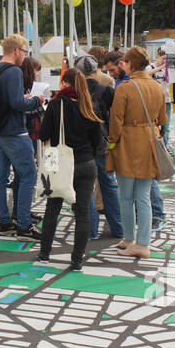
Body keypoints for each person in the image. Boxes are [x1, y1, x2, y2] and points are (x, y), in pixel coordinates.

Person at [36, 67, 105, 271]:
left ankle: (44, 254)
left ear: (65, 84)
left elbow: (43, 134)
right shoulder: (89, 105)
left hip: (57, 160)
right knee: (83, 212)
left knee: (52, 208)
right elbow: (97, 140)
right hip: (85, 162)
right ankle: (76, 260)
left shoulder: (57, 104)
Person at [107, 47, 167, 259]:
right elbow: (162, 120)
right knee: (143, 196)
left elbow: (115, 121)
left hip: (127, 143)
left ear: (130, 64)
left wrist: (111, 145)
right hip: (149, 142)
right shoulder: (157, 87)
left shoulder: (125, 88)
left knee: (125, 196)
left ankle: (131, 238)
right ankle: (141, 241)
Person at [0, 35, 48, 239]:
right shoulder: (14, 71)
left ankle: (5, 221)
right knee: (28, 173)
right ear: (16, 51)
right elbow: (16, 104)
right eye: (24, 51)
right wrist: (36, 101)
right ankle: (24, 225)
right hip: (14, 131)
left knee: (1, 176)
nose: (25, 55)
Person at [75, 55, 124, 243]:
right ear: (96, 71)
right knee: (109, 184)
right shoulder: (107, 90)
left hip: (81, 146)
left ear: (78, 72)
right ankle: (118, 227)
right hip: (102, 143)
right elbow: (116, 115)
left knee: (84, 188)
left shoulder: (75, 92)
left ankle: (90, 230)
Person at [8, 55, 44, 229]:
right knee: (24, 175)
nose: (37, 75)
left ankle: (23, 211)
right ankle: (19, 214)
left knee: (24, 175)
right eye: (36, 71)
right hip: (24, 134)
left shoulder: (26, 87)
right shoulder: (21, 88)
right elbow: (20, 111)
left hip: (32, 133)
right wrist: (37, 105)